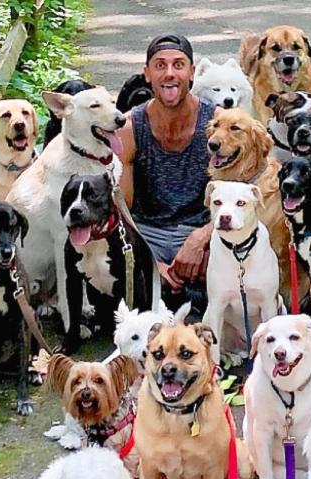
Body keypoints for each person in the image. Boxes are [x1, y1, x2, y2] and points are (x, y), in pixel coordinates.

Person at [115, 34, 217, 298]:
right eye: (160, 65)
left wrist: (202, 238)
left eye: (178, 65)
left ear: (192, 73)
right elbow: (121, 210)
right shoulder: (129, 128)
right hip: (148, 233)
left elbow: (239, 196)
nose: (169, 74)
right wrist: (148, 262)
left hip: (202, 230)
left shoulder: (217, 123)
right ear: (147, 74)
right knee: (128, 279)